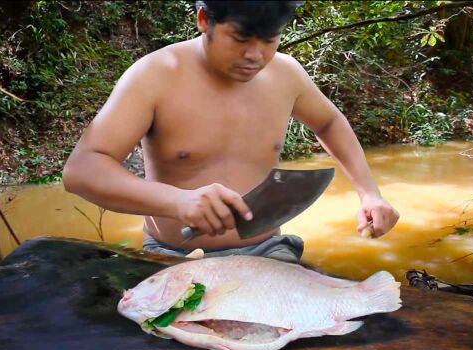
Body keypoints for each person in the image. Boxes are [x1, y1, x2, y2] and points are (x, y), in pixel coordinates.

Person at [63, 1, 399, 263]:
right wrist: (177, 201)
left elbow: (329, 122)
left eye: (269, 40)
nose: (255, 55)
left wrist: (369, 192)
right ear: (204, 20)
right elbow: (82, 170)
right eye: (239, 38)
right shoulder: (155, 76)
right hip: (173, 257)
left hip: (268, 252)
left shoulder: (286, 75)